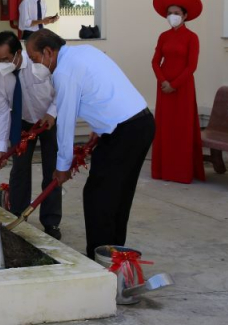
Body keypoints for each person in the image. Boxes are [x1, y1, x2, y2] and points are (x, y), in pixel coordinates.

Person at [25, 29, 155, 260]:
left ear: (48, 52)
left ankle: (100, 256)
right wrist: (99, 128)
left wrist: (62, 166)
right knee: (118, 194)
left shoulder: (64, 72)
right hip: (141, 123)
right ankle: (114, 252)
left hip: (125, 132)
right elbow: (103, 91)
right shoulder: (84, 52)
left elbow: (65, 122)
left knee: (99, 195)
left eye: (35, 59)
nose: (36, 65)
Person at [0, 31, 62, 239]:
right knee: (19, 170)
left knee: (53, 169)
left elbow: (62, 91)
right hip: (21, 121)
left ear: (18, 53)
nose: (0, 64)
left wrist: (52, 113)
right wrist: (1, 148)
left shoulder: (41, 64)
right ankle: (18, 216)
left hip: (50, 118)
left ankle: (51, 222)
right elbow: (2, 112)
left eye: (4, 59)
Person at [151, 0, 205, 184]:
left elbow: (192, 66)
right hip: (164, 88)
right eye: (170, 13)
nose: (172, 16)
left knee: (181, 127)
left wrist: (174, 84)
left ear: (185, 16)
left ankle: (181, 172)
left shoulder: (192, 38)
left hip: (182, 88)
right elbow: (155, 61)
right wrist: (163, 81)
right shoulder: (163, 36)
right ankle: (162, 170)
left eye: (176, 13)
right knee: (164, 127)